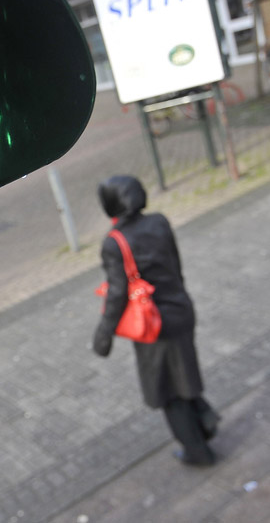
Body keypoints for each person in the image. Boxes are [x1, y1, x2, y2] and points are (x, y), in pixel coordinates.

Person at [92, 175, 220, 466]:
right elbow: (175, 264)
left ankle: (197, 451)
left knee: (167, 390)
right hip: (181, 310)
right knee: (183, 373)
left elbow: (117, 294)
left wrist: (103, 335)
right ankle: (205, 420)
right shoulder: (159, 222)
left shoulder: (114, 242)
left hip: (152, 324)